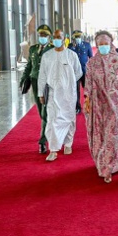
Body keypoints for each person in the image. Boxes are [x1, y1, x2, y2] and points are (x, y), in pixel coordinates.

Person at [85, 31, 118, 183]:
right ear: (97, 45)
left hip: (116, 104)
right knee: (100, 134)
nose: (103, 46)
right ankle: (102, 162)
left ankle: (109, 167)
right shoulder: (92, 63)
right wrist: (87, 100)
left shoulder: (117, 61)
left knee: (114, 134)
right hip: (98, 104)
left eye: (106, 43)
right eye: (100, 44)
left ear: (110, 44)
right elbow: (89, 83)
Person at [39, 29, 83, 161]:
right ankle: (53, 149)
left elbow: (78, 72)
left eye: (59, 37)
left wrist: (67, 83)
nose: (57, 39)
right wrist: (41, 93)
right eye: (55, 37)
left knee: (69, 118)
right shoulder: (47, 56)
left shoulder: (72, 55)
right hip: (52, 94)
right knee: (52, 121)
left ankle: (68, 143)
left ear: (64, 38)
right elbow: (42, 75)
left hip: (69, 94)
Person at [20, 24, 54, 154]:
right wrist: (25, 79)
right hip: (35, 80)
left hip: (48, 82)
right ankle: (49, 132)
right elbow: (29, 66)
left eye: (45, 35)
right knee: (41, 112)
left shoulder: (52, 49)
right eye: (40, 35)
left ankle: (42, 141)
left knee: (45, 111)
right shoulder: (33, 49)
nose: (42, 37)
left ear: (49, 36)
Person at [69, 29, 94, 114]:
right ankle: (77, 107)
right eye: (76, 37)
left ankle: (89, 105)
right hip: (74, 72)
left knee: (87, 89)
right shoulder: (70, 46)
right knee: (75, 90)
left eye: (79, 36)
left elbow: (91, 58)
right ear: (73, 37)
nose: (77, 38)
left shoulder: (86, 45)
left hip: (84, 71)